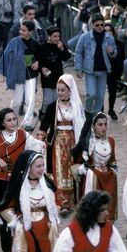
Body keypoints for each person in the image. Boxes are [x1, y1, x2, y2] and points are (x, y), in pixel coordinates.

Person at [0, 108, 45, 252]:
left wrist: (42, 143)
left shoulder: (23, 135)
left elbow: (36, 147)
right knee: (3, 221)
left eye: (14, 119)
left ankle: (21, 250)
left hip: (19, 182)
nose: (13, 122)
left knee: (21, 216)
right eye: (9, 120)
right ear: (2, 122)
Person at [36, 74, 86, 216]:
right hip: (57, 144)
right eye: (58, 90)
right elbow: (43, 127)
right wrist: (40, 143)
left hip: (72, 144)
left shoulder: (76, 107)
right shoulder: (53, 107)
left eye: (63, 90)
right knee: (58, 172)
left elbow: (82, 127)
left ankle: (72, 202)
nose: (60, 93)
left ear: (70, 90)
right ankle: (60, 203)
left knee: (71, 172)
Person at [0, 150, 59, 252]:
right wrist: (17, 222)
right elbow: (5, 208)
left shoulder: (47, 185)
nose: (42, 169)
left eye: (43, 165)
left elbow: (57, 203)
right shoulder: (18, 187)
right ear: (29, 167)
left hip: (46, 229)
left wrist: (52, 217)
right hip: (25, 231)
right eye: (38, 166)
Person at [53, 190, 127, 252]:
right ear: (91, 211)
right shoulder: (71, 232)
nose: (107, 213)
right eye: (102, 210)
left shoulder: (109, 228)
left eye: (106, 209)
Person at [71, 112, 118, 221]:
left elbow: (112, 160)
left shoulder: (111, 141)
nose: (104, 128)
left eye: (105, 124)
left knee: (112, 178)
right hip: (93, 176)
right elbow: (77, 162)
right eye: (100, 125)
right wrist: (83, 167)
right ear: (93, 126)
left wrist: (112, 167)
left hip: (108, 175)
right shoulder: (88, 143)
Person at [0, 20, 39, 131]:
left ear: (30, 32)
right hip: (18, 75)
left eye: (24, 30)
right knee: (17, 101)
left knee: (30, 100)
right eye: (21, 29)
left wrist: (37, 62)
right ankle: (11, 119)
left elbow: (40, 57)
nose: (21, 32)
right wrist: (5, 73)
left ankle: (27, 123)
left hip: (31, 75)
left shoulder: (35, 44)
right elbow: (5, 56)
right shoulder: (14, 42)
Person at [74, 13, 117, 113]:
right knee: (91, 94)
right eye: (97, 25)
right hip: (90, 71)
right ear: (92, 25)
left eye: (102, 25)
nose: (100, 27)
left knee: (100, 97)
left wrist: (112, 52)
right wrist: (78, 68)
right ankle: (87, 113)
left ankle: (96, 118)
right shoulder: (85, 37)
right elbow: (78, 52)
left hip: (103, 71)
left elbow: (114, 54)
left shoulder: (109, 38)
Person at [35, 26, 71, 117]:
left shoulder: (60, 45)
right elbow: (38, 62)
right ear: (49, 36)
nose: (57, 38)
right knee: (47, 100)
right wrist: (41, 69)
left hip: (58, 76)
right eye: (55, 36)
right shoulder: (42, 47)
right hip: (47, 77)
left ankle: (52, 117)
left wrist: (62, 49)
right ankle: (43, 114)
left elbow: (67, 57)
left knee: (56, 99)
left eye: (58, 36)